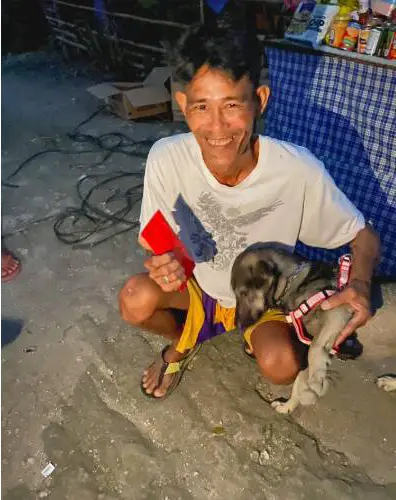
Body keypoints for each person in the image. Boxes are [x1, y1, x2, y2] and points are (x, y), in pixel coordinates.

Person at [119, 25, 381, 399]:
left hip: (265, 298)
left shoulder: (296, 170)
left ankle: (252, 334)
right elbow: (153, 237)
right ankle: (184, 340)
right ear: (182, 103)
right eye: (201, 107)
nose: (217, 128)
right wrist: (164, 260)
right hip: (197, 287)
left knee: (282, 367)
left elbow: (363, 235)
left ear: (259, 100)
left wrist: (359, 285)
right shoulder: (166, 158)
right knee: (135, 297)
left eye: (231, 105)